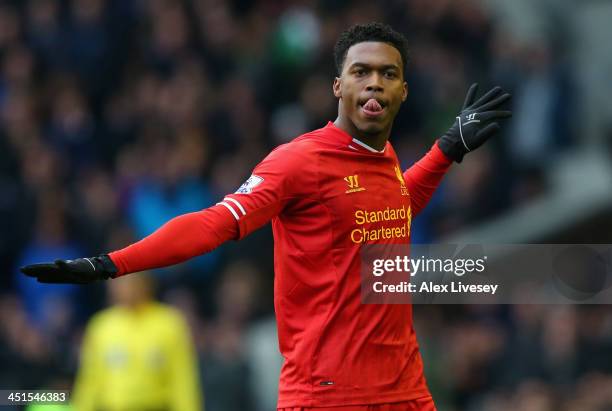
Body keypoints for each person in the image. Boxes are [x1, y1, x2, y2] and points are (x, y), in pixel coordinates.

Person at [22, 22, 511, 410]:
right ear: (338, 86)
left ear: (403, 91)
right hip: (327, 396)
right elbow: (214, 223)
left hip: (405, 391)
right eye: (362, 71)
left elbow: (395, 210)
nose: (375, 83)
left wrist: (447, 150)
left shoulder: (382, 160)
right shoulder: (298, 162)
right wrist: (113, 263)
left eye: (388, 73)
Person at [70, 273, 202, 411]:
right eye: (119, 282)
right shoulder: (101, 325)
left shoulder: (169, 323)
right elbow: (89, 380)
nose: (124, 288)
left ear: (146, 283)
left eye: (131, 281)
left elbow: (182, 379)